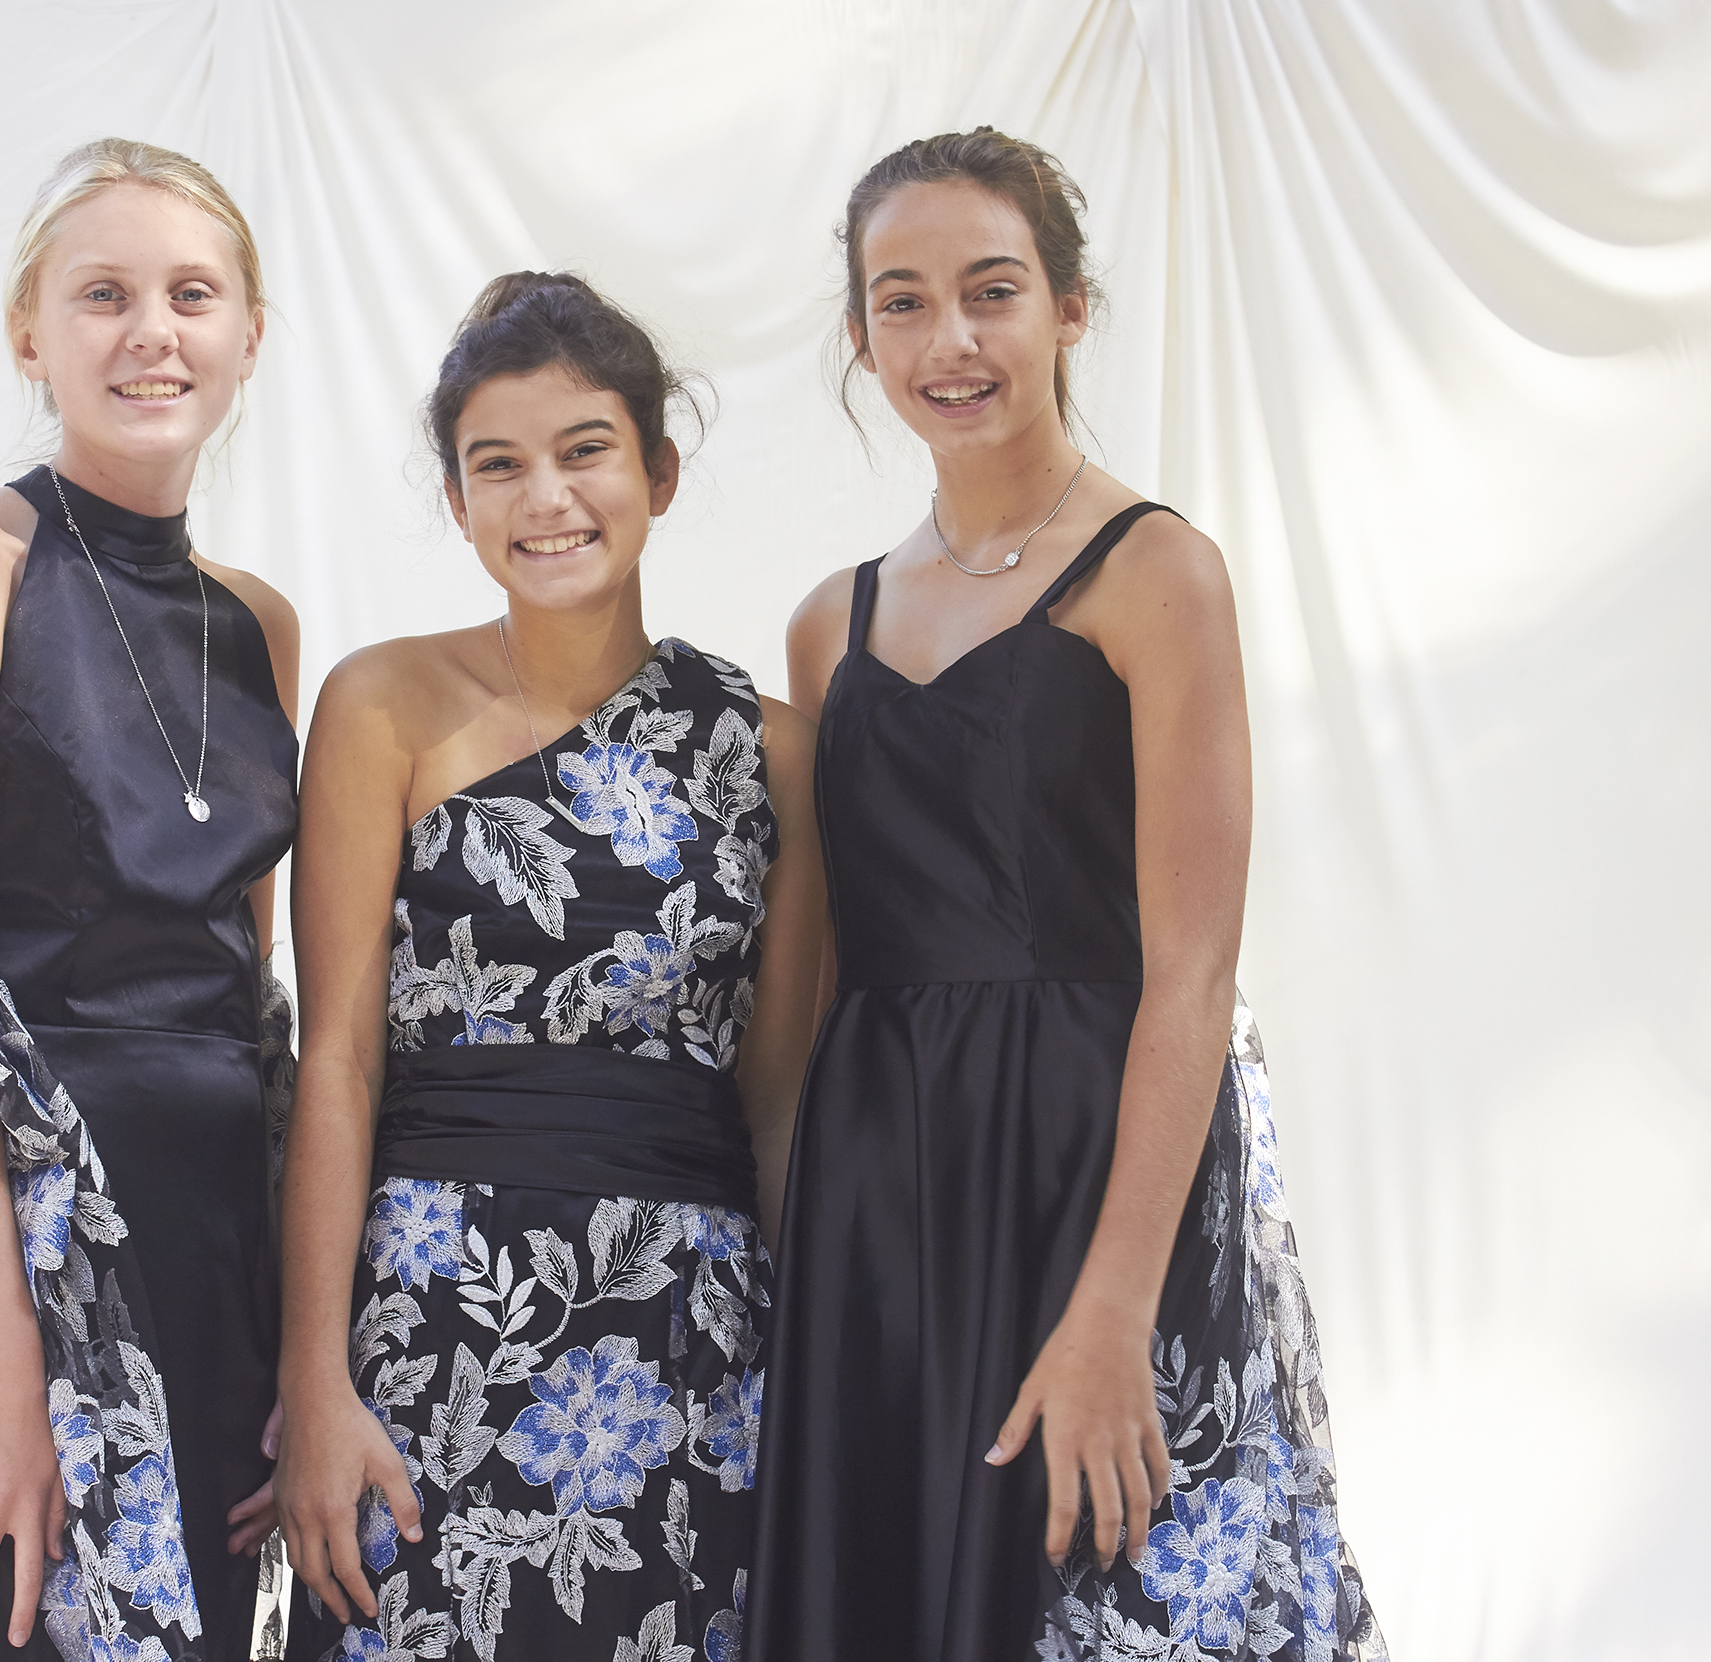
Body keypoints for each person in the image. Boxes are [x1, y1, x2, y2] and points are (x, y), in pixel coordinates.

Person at [748, 129, 1389, 1661]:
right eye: (901, 302)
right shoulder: (829, 625)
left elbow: (1193, 974)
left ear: (1070, 308)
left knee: (1114, 1590)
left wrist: (1115, 1303)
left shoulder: (1157, 572)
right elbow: (833, 973)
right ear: (860, 337)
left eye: (992, 291)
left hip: (1099, 1170)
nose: (948, 340)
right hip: (885, 1194)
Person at [272, 273, 827, 1662]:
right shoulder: (380, 703)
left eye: (584, 449)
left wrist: (797, 1383)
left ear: (659, 470)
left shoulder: (777, 750)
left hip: (684, 1330)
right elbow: (335, 1061)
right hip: (432, 1314)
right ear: (458, 502)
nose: (545, 497)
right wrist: (315, 1374)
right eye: (497, 465)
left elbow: (772, 1101)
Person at [0, 137, 299, 1661]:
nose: (149, 331)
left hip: (211, 1250)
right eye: (102, 294)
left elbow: (255, 1001)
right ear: (31, 334)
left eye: (190, 294)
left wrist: (298, 1337)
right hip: (10, 1240)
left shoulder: (264, 626)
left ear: (246, 335)